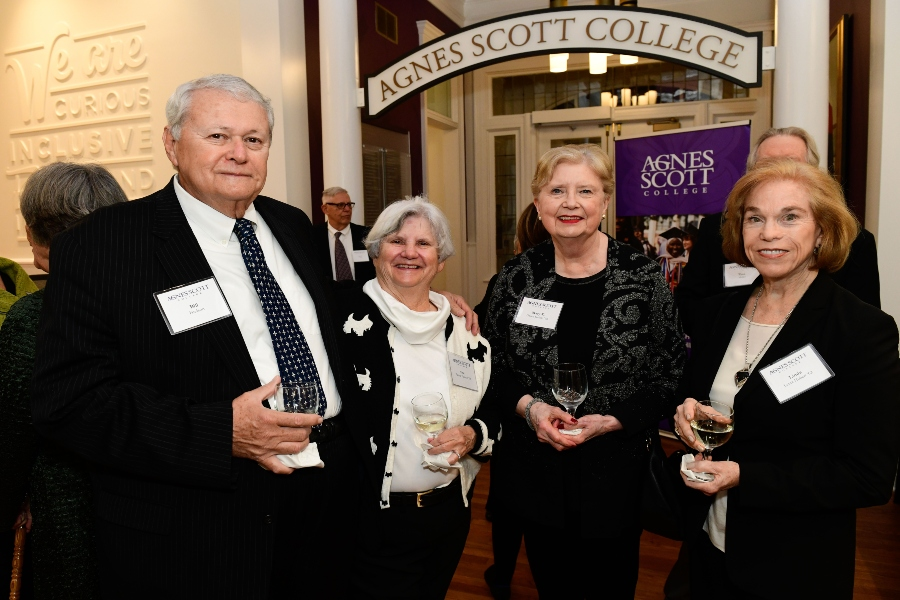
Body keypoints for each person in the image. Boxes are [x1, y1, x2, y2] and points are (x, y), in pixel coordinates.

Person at [31, 74, 359, 599]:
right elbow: (67, 403)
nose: (238, 153)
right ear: (171, 144)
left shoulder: (292, 224)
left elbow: (332, 331)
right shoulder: (104, 246)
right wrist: (218, 433)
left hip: (326, 499)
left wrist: (428, 299)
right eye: (217, 136)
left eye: (253, 140)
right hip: (198, 523)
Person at [672, 158, 900, 600]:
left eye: (789, 217)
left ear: (823, 231)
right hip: (708, 547)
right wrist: (685, 410)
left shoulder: (859, 329)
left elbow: (868, 477)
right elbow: (700, 395)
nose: (768, 233)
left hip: (793, 565)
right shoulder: (719, 312)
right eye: (755, 218)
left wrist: (743, 477)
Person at [482, 144, 686, 599]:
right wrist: (529, 407)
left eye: (585, 191)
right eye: (557, 190)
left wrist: (616, 419)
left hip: (616, 474)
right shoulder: (515, 279)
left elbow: (670, 371)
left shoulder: (642, 277)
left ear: (605, 203)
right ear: (538, 204)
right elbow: (488, 366)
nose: (570, 203)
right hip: (536, 474)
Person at [336, 196, 498, 599]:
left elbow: (493, 406)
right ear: (376, 252)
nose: (410, 252)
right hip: (369, 521)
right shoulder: (339, 317)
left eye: (424, 244)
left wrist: (472, 436)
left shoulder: (463, 330)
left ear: (440, 260)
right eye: (396, 241)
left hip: (448, 513)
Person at [0, 163, 127, 599]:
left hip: (68, 516)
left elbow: (12, 438)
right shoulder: (155, 301)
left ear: (35, 234)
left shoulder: (33, 319)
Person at [675, 126, 880, 336]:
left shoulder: (856, 242)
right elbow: (688, 306)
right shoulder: (719, 229)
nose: (769, 233)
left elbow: (862, 328)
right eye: (767, 166)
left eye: (791, 163)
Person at [478, 203, 549, 600]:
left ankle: (502, 575)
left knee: (509, 501)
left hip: (514, 406)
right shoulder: (510, 280)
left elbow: (484, 335)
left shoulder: (508, 278)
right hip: (524, 409)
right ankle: (504, 575)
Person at [313, 186, 376, 285]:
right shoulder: (313, 236)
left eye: (349, 204)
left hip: (361, 295)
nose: (347, 209)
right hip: (328, 296)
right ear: (325, 209)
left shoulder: (366, 234)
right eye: (340, 205)